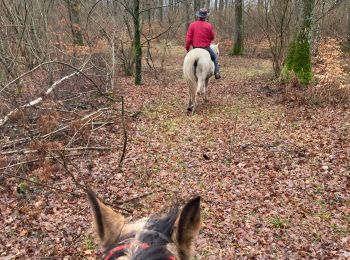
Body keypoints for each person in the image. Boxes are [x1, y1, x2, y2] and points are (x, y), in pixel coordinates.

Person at [185, 8, 221, 79]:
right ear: (205, 16)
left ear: (198, 16)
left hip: (195, 48)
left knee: (187, 59)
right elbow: (212, 37)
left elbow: (188, 38)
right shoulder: (209, 26)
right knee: (215, 58)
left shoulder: (192, 25)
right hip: (206, 48)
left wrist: (187, 48)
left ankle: (187, 72)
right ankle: (217, 73)